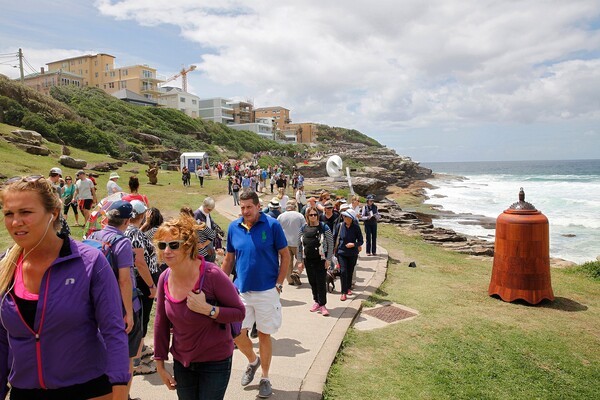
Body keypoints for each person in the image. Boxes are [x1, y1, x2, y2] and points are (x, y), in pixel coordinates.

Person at [0, 175, 129, 399]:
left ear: (54, 214)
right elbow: (2, 341)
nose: (15, 222)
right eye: (9, 214)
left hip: (89, 390)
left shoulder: (89, 262)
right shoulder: (4, 267)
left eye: (26, 212)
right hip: (25, 391)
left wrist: (119, 388)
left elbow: (113, 331)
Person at [153, 215, 245, 400]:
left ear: (187, 246)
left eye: (173, 245)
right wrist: (160, 365)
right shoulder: (164, 278)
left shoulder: (212, 275)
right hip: (183, 362)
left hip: (215, 362)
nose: (167, 251)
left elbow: (239, 312)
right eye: (162, 246)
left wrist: (208, 310)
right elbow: (160, 322)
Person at [221, 190, 290, 398]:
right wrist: (221, 285)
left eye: (249, 207)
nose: (245, 211)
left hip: (267, 291)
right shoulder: (234, 227)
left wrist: (279, 284)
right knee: (236, 334)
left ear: (258, 206)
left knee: (264, 334)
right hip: (242, 291)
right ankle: (253, 360)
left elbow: (285, 256)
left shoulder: (272, 225)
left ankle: (265, 377)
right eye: (242, 207)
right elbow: (228, 259)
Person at [87, 200, 144, 399]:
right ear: (127, 221)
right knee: (126, 356)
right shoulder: (122, 242)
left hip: (98, 304)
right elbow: (124, 280)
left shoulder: (94, 235)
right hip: (119, 306)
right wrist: (128, 311)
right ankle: (124, 395)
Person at [124, 200, 159, 376]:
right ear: (142, 214)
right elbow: (140, 261)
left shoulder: (128, 230)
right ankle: (137, 363)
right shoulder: (135, 233)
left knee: (140, 316)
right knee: (142, 318)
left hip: (136, 280)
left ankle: (141, 348)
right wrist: (152, 285)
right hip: (144, 282)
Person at [297, 206, 334, 315]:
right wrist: (300, 261)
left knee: (321, 282)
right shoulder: (303, 228)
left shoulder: (324, 227)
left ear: (318, 215)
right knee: (312, 281)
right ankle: (316, 301)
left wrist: (328, 259)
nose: (313, 217)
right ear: (307, 216)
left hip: (321, 259)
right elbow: (299, 245)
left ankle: (322, 304)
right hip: (308, 259)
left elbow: (331, 244)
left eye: (315, 214)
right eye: (310, 215)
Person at [333, 210, 363, 301]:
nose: (344, 218)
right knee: (343, 271)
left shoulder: (356, 227)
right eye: (344, 216)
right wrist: (333, 251)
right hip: (341, 253)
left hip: (353, 253)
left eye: (347, 217)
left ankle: (348, 287)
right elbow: (335, 238)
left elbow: (361, 241)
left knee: (350, 271)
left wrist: (354, 244)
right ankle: (343, 292)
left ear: (351, 218)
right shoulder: (339, 226)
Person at [277, 200, 305, 286]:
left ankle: (290, 280)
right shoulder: (300, 216)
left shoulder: (281, 216)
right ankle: (296, 272)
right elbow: (304, 228)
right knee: (301, 259)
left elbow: (277, 229)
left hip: (284, 243)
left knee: (287, 261)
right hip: (297, 242)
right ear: (294, 207)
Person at [194, 197, 223, 263]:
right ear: (204, 206)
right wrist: (203, 244)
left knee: (211, 260)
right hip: (202, 245)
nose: (210, 211)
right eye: (209, 209)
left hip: (209, 243)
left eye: (211, 210)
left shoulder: (206, 213)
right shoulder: (197, 215)